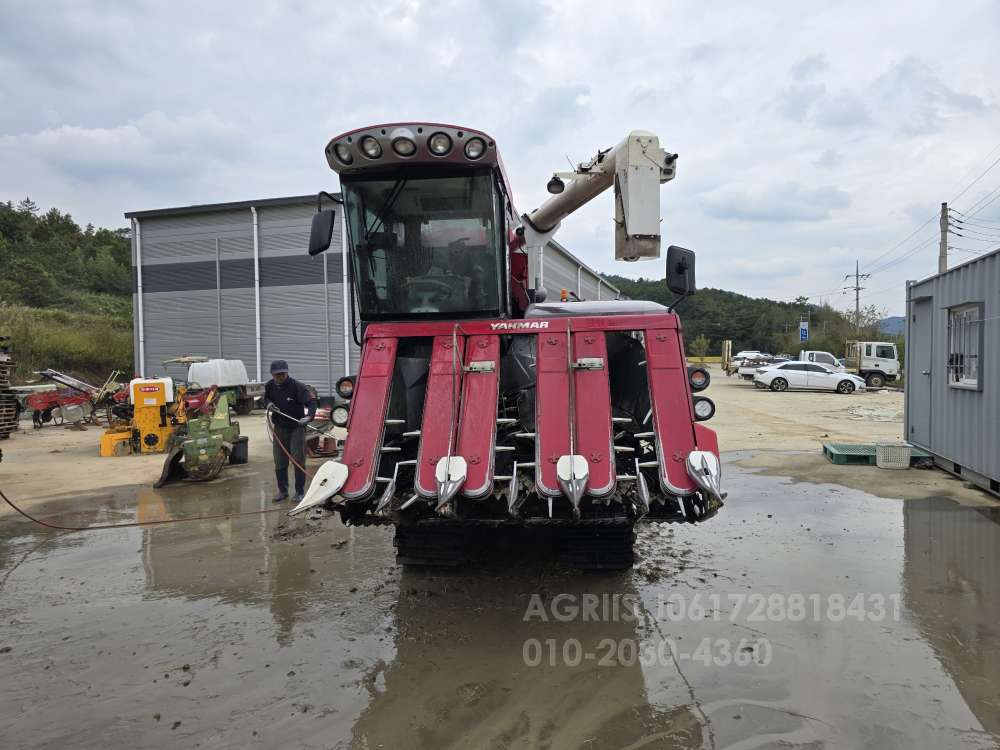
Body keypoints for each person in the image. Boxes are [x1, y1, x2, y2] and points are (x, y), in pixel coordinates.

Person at [263, 360, 316, 502]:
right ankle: (283, 491)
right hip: (279, 428)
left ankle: (299, 492)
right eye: (277, 374)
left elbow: (311, 402)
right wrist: (269, 404)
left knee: (298, 459)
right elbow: (266, 398)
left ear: (287, 372)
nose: (280, 377)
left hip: (296, 427)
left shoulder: (297, 387)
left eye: (283, 374)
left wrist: (309, 417)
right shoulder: (270, 386)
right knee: (280, 460)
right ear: (272, 375)